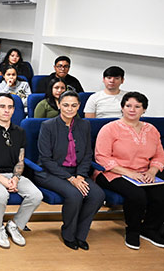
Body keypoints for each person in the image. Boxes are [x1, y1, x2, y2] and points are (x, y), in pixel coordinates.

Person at [35, 91, 105, 250]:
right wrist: (71, 179)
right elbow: (45, 159)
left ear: (79, 106)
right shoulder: (48, 126)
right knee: (75, 194)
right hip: (50, 172)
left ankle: (81, 234)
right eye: (65, 105)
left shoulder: (84, 125)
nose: (69, 109)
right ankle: (68, 233)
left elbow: (87, 154)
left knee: (98, 195)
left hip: (76, 172)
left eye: (74, 105)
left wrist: (80, 175)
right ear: (59, 105)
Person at [94, 92, 164, 249]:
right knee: (137, 195)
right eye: (128, 106)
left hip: (143, 172)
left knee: (160, 194)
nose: (132, 110)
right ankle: (133, 230)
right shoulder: (110, 129)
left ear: (144, 110)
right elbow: (102, 157)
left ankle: (149, 229)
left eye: (137, 106)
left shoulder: (151, 130)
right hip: (112, 172)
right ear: (122, 108)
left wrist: (152, 171)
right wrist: (129, 173)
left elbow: (159, 155)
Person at [0, 94, 43, 248]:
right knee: (1, 194)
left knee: (36, 195)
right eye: (2, 106)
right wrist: (1, 179)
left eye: (10, 107)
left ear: (14, 110)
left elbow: (20, 160)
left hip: (13, 175)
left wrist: (16, 178)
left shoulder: (20, 131)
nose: (6, 110)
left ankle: (14, 225)